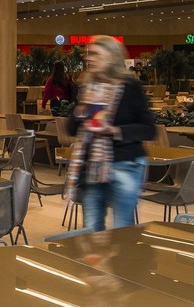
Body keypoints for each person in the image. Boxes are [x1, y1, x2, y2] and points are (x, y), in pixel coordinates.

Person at [66, 35, 156, 232]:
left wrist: (114, 131)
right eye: (89, 54)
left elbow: (149, 129)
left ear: (111, 57)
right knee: (91, 229)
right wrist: (81, 110)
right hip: (92, 167)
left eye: (95, 54)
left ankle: (122, 254)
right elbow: (71, 129)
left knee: (122, 229)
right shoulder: (88, 88)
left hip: (125, 164)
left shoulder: (130, 88)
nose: (89, 58)